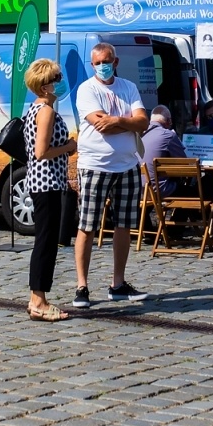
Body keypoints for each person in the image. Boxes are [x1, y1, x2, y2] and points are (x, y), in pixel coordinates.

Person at [72, 42, 151, 309]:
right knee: (88, 225)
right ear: (92, 65)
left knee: (124, 225)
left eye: (107, 61)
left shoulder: (128, 87)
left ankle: (118, 284)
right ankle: (82, 286)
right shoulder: (87, 89)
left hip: (127, 165)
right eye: (97, 62)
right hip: (95, 165)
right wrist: (127, 121)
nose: (103, 66)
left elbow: (143, 121)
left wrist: (116, 120)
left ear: (115, 62)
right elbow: (100, 125)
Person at [23, 59, 76, 322]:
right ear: (45, 87)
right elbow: (41, 151)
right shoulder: (45, 112)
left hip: (42, 182)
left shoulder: (35, 109)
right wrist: (68, 147)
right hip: (47, 183)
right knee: (45, 243)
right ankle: (38, 300)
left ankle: (38, 298)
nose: (59, 82)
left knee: (45, 242)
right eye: (56, 78)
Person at [140, 105, 188, 196]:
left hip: (140, 191)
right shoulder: (168, 135)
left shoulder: (140, 134)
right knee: (195, 190)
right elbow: (185, 164)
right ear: (169, 121)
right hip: (159, 191)